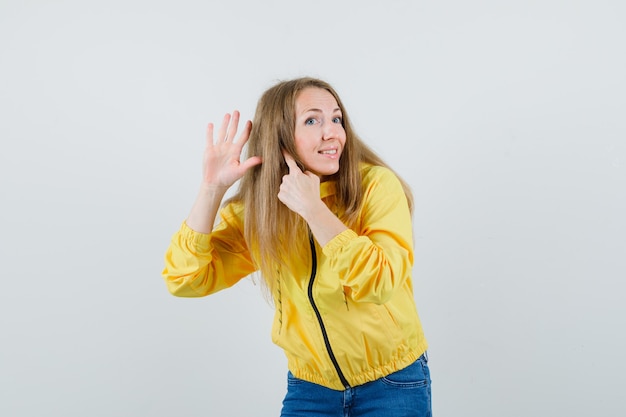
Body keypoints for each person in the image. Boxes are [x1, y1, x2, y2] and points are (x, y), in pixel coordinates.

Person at [162, 77, 431, 416]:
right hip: (310, 390)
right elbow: (185, 280)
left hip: (392, 382)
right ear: (280, 136)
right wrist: (211, 190)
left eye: (337, 119)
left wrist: (313, 209)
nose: (332, 132)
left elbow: (379, 282)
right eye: (312, 120)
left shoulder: (375, 186)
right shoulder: (258, 211)